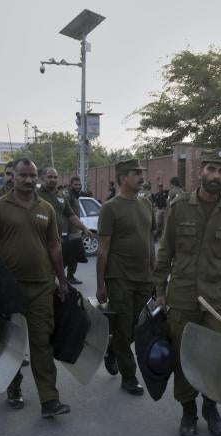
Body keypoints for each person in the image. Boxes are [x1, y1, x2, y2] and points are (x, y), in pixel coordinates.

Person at [155, 149, 221, 436]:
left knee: (213, 358)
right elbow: (166, 251)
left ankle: (210, 406)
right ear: (200, 172)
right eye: (211, 169)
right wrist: (160, 290)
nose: (216, 176)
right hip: (182, 296)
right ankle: (188, 411)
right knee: (186, 355)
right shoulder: (180, 206)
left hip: (217, 301)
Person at [0, 158, 72, 418]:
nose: (29, 180)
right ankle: (14, 388)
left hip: (42, 287)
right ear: (13, 177)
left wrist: (61, 281)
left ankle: (49, 400)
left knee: (42, 342)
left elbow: (54, 246)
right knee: (12, 343)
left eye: (33, 175)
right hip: (9, 289)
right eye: (24, 175)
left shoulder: (47, 208)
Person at [96, 159, 156, 396]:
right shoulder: (110, 208)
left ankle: (113, 349)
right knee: (123, 327)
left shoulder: (146, 204)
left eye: (142, 172)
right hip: (119, 277)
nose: (141, 176)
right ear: (122, 178)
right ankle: (129, 376)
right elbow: (103, 249)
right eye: (135, 173)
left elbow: (150, 242)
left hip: (144, 277)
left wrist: (156, 275)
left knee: (137, 329)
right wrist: (100, 283)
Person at [37, 169, 91, 287]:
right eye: (49, 177)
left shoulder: (61, 195)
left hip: (57, 241)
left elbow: (70, 215)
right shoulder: (35, 194)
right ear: (43, 178)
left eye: (55, 177)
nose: (53, 180)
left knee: (56, 268)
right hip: (39, 241)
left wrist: (84, 228)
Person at [63, 175, 87, 284]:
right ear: (71, 185)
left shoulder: (75, 195)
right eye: (75, 184)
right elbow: (65, 212)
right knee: (68, 255)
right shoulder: (68, 195)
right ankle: (63, 276)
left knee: (73, 256)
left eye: (79, 184)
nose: (78, 186)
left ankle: (70, 276)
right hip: (69, 231)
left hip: (75, 231)